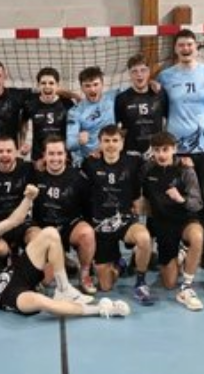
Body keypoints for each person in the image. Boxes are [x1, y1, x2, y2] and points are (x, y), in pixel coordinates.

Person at [0, 185, 131, 327]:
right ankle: (100, 310)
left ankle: (64, 288)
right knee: (41, 301)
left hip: (14, 272)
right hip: (0, 295)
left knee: (50, 233)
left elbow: (13, 221)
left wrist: (28, 198)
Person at [157, 29, 204, 268]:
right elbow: (156, 108)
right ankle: (178, 246)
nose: (186, 49)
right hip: (176, 149)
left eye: (190, 44)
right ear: (176, 49)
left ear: (196, 47)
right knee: (176, 197)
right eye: (181, 45)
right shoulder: (166, 76)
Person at [81, 124, 154, 305]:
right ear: (100, 143)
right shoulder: (89, 164)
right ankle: (119, 264)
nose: (111, 145)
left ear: (122, 143)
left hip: (125, 222)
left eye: (115, 140)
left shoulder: (134, 161)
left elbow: (159, 162)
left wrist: (180, 162)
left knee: (144, 238)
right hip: (101, 226)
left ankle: (140, 282)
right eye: (106, 141)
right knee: (105, 286)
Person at [142, 131, 204, 311]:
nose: (161, 154)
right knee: (169, 283)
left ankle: (187, 286)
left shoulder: (185, 170)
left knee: (197, 236)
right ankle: (181, 255)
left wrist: (181, 199)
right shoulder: (146, 169)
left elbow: (197, 204)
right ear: (152, 151)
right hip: (163, 226)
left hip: (185, 220)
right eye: (157, 150)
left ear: (174, 149)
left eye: (165, 149)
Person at [28, 135, 96, 295]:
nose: (55, 158)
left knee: (87, 233)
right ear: (44, 156)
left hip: (69, 227)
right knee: (45, 280)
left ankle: (84, 273)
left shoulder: (78, 178)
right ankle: (60, 261)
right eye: (51, 154)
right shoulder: (35, 176)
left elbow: (88, 211)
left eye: (59, 153)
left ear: (66, 155)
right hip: (45, 230)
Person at [115, 53, 168, 157]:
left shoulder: (160, 94)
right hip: (131, 153)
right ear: (129, 74)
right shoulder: (121, 98)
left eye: (143, 70)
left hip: (156, 152)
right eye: (134, 71)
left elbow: (169, 119)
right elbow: (116, 128)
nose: (139, 74)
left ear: (149, 72)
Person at [21, 67, 75, 169]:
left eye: (51, 83)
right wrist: (23, 142)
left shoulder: (67, 103)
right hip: (38, 157)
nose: (47, 86)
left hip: (61, 157)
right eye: (43, 83)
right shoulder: (31, 104)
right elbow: (23, 124)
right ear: (38, 85)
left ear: (57, 85)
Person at [66, 66, 119, 167]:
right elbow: (70, 144)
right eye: (87, 86)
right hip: (91, 161)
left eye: (95, 84)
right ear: (82, 88)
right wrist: (79, 140)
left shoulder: (112, 97)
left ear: (102, 84)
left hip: (113, 156)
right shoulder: (75, 112)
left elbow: (137, 87)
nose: (92, 89)